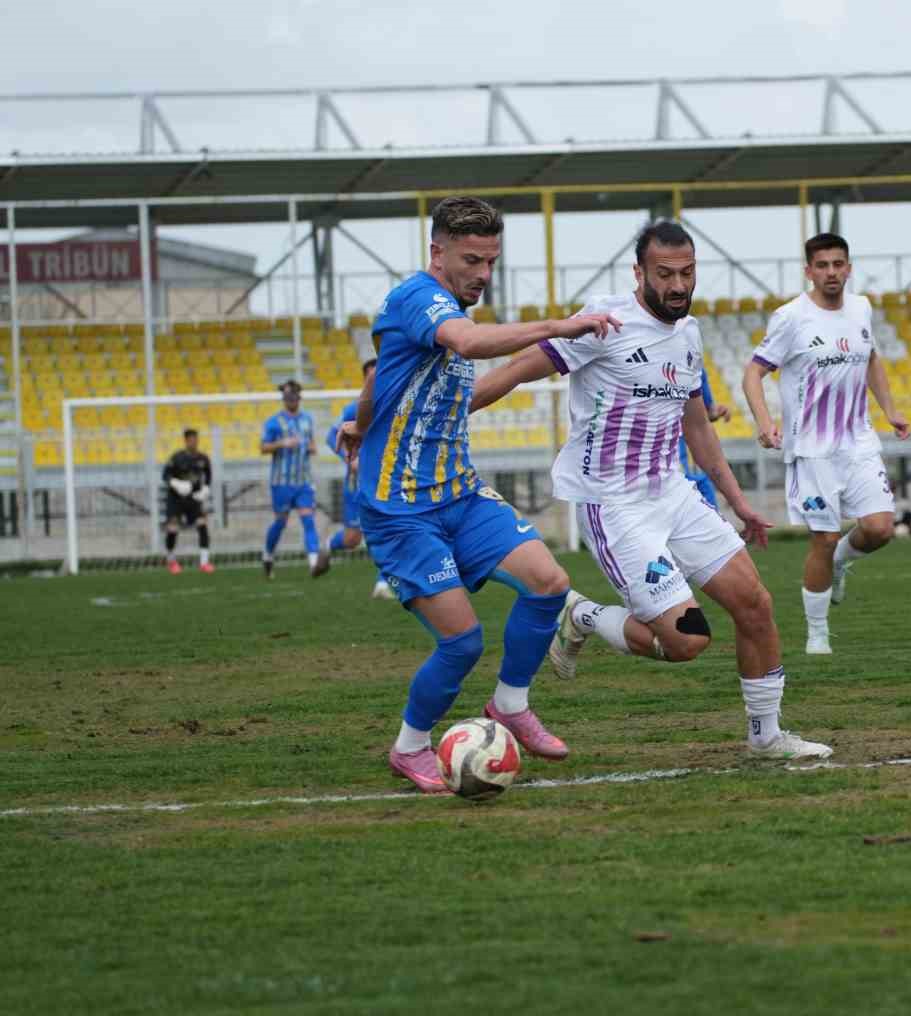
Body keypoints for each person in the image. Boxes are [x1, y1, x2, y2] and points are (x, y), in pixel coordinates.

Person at [469, 220, 832, 760]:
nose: (679, 285)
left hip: (674, 494)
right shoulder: (604, 322)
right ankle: (583, 615)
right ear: (639, 272)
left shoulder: (688, 333)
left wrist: (737, 503)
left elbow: (696, 424)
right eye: (665, 274)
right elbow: (521, 369)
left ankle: (766, 737)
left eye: (687, 273)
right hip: (615, 507)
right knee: (686, 642)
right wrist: (445, 413)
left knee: (755, 604)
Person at [336, 196, 623, 792]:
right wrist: (558, 326)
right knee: (463, 641)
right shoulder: (422, 299)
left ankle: (510, 705)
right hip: (400, 509)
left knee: (548, 582)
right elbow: (467, 344)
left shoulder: (449, 308)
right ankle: (410, 747)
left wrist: (359, 421)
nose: (483, 274)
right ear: (436, 252)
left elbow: (395, 381)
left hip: (459, 494)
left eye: (491, 261)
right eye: (471, 259)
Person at [743, 233, 910, 655]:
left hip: (857, 441)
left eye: (838, 264)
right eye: (823, 265)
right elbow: (753, 373)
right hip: (812, 450)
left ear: (849, 268)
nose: (831, 272)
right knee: (824, 538)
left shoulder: (862, 308)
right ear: (809, 271)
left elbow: (871, 359)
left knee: (880, 528)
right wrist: (765, 423)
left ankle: (840, 565)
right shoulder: (791, 318)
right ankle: (818, 635)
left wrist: (890, 411)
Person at [313, 357, 397, 597]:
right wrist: (351, 460)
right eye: (370, 375)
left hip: (386, 478)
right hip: (357, 481)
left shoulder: (394, 404)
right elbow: (332, 437)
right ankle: (329, 544)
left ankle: (382, 584)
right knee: (352, 539)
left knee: (389, 527)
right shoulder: (354, 409)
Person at [260, 380, 319, 578]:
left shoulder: (307, 420)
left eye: (294, 396)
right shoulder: (274, 422)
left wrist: (311, 448)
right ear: (284, 399)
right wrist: (282, 443)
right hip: (281, 482)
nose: (291, 400)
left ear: (299, 397)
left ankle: (314, 563)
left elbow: (312, 444)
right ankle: (268, 555)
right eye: (288, 397)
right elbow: (263, 447)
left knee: (308, 520)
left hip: (303, 481)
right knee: (280, 523)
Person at [161, 427, 214, 574]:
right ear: (186, 441)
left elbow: (209, 477)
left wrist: (205, 490)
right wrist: (176, 484)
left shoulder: (203, 458)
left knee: (202, 524)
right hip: (176, 498)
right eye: (190, 439)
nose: (193, 442)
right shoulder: (177, 457)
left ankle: (204, 562)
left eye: (195, 439)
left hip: (193, 498)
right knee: (173, 528)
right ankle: (171, 560)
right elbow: (165, 475)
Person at [680, 365, 730, 508]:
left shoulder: (697, 368)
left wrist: (716, 411)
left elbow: (705, 413)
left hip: (675, 446)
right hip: (666, 446)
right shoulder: (694, 365)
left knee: (695, 482)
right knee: (696, 483)